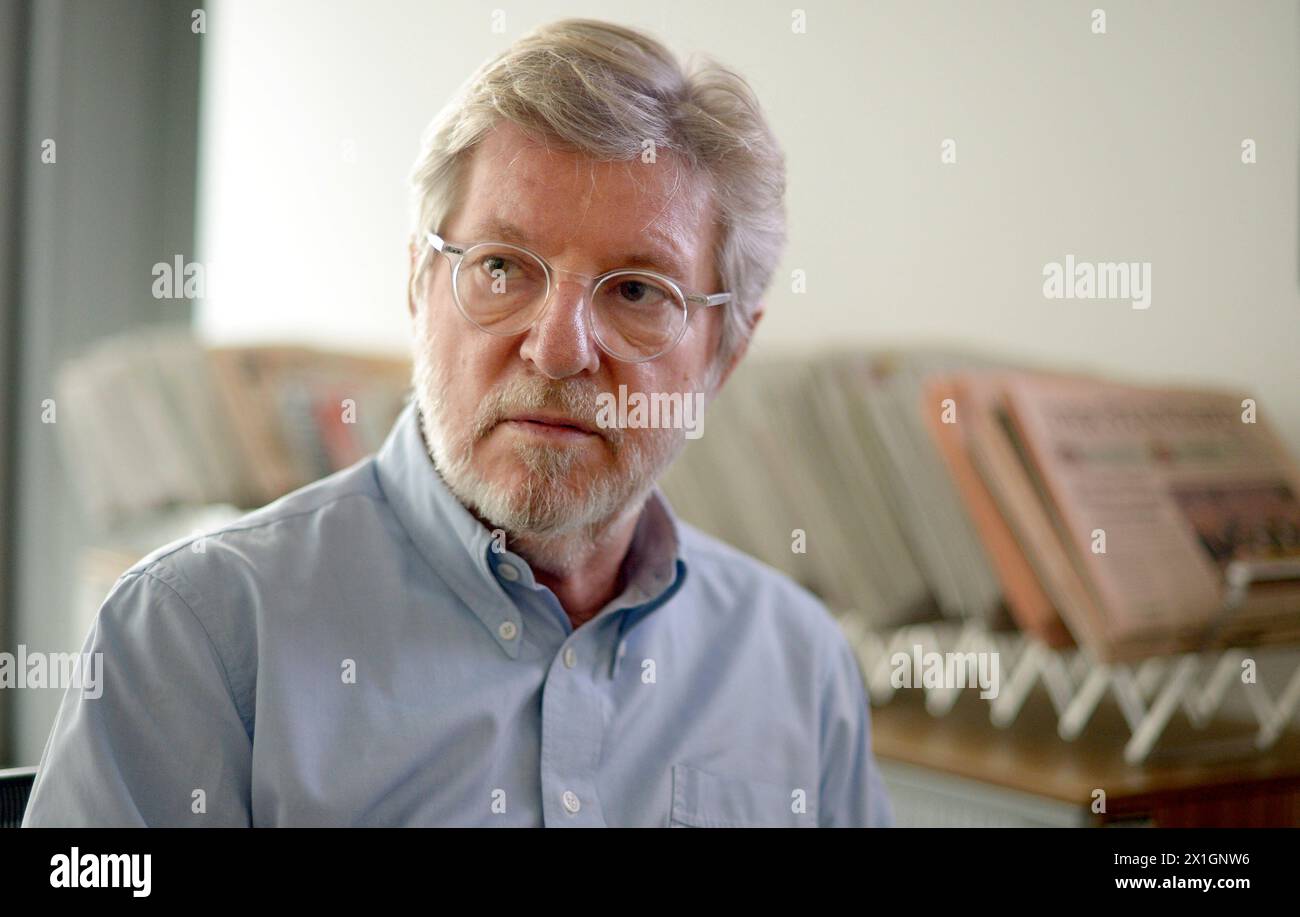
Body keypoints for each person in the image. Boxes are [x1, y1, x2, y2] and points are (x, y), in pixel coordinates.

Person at [23, 18, 892, 827]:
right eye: (504, 268)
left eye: (636, 291)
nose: (557, 351)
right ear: (417, 287)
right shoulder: (196, 635)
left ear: (724, 353)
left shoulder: (800, 669)